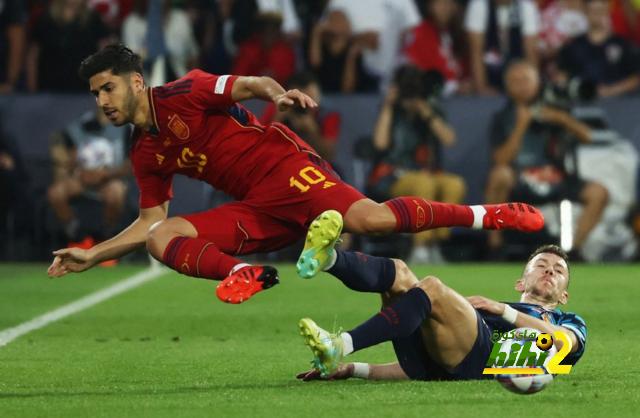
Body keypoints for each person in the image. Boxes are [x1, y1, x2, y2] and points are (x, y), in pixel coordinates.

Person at [47, 44, 545, 306]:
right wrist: (92, 254)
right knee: (161, 236)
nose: (102, 101)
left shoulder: (184, 91)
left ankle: (489, 214)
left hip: (284, 169)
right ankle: (244, 275)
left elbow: (248, 83)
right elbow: (147, 221)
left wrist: (278, 94)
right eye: (95, 94)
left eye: (107, 88)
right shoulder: (144, 150)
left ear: (135, 81)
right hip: (255, 207)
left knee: (370, 222)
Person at [295, 212, 586, 381]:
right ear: (521, 283)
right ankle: (329, 258)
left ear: (564, 296)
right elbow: (428, 367)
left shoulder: (567, 321)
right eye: (541, 266)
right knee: (399, 273)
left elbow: (562, 344)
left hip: (486, 359)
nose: (550, 272)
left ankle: (342, 344)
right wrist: (353, 371)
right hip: (451, 360)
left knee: (431, 286)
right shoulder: (492, 311)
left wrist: (502, 311)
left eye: (559, 271)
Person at [485, 61, 608, 258]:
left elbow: (588, 137)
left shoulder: (554, 109)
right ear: (507, 87)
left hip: (555, 176)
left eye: (526, 80)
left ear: (537, 82)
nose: (522, 86)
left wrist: (562, 119)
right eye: (516, 81)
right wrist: (521, 125)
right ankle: (495, 249)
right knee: (499, 175)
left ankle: (573, 250)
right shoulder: (502, 117)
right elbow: (500, 160)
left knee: (599, 192)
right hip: (520, 178)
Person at [369, 66, 466, 264]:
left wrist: (425, 112)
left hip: (426, 172)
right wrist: (388, 105)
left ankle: (435, 245)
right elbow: (380, 143)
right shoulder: (391, 110)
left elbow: (449, 139)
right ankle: (420, 247)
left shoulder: (430, 109)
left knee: (454, 184)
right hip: (392, 175)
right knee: (423, 183)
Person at [47, 106, 132, 246]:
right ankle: (75, 234)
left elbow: (130, 166)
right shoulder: (81, 125)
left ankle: (107, 236)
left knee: (116, 193)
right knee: (55, 193)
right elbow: (70, 160)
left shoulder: (125, 129)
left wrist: (105, 173)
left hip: (109, 179)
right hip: (82, 178)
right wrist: (79, 172)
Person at [557, 0, 640, 98]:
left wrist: (612, 90)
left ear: (607, 11)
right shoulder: (572, 47)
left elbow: (636, 78)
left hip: (618, 103)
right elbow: (561, 76)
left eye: (599, 10)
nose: (596, 15)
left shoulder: (622, 45)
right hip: (581, 103)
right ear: (585, 12)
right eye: (592, 11)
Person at [465, 0, 540, 94]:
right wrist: (481, 88)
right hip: (490, 79)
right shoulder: (479, 5)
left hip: (518, 82)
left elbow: (531, 53)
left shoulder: (526, 7)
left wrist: (532, 88)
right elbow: (476, 52)